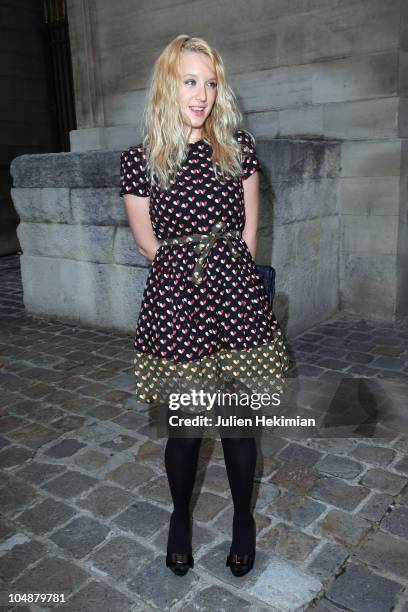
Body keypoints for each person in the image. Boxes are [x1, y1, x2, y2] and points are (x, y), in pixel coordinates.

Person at [120, 34, 290, 577]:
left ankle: (243, 518)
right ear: (168, 85)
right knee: (186, 428)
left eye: (211, 82)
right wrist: (187, 278)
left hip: (235, 298)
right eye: (190, 81)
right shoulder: (139, 160)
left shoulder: (238, 147)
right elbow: (146, 242)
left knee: (238, 423)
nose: (202, 94)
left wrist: (224, 279)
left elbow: (248, 233)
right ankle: (179, 516)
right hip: (175, 305)